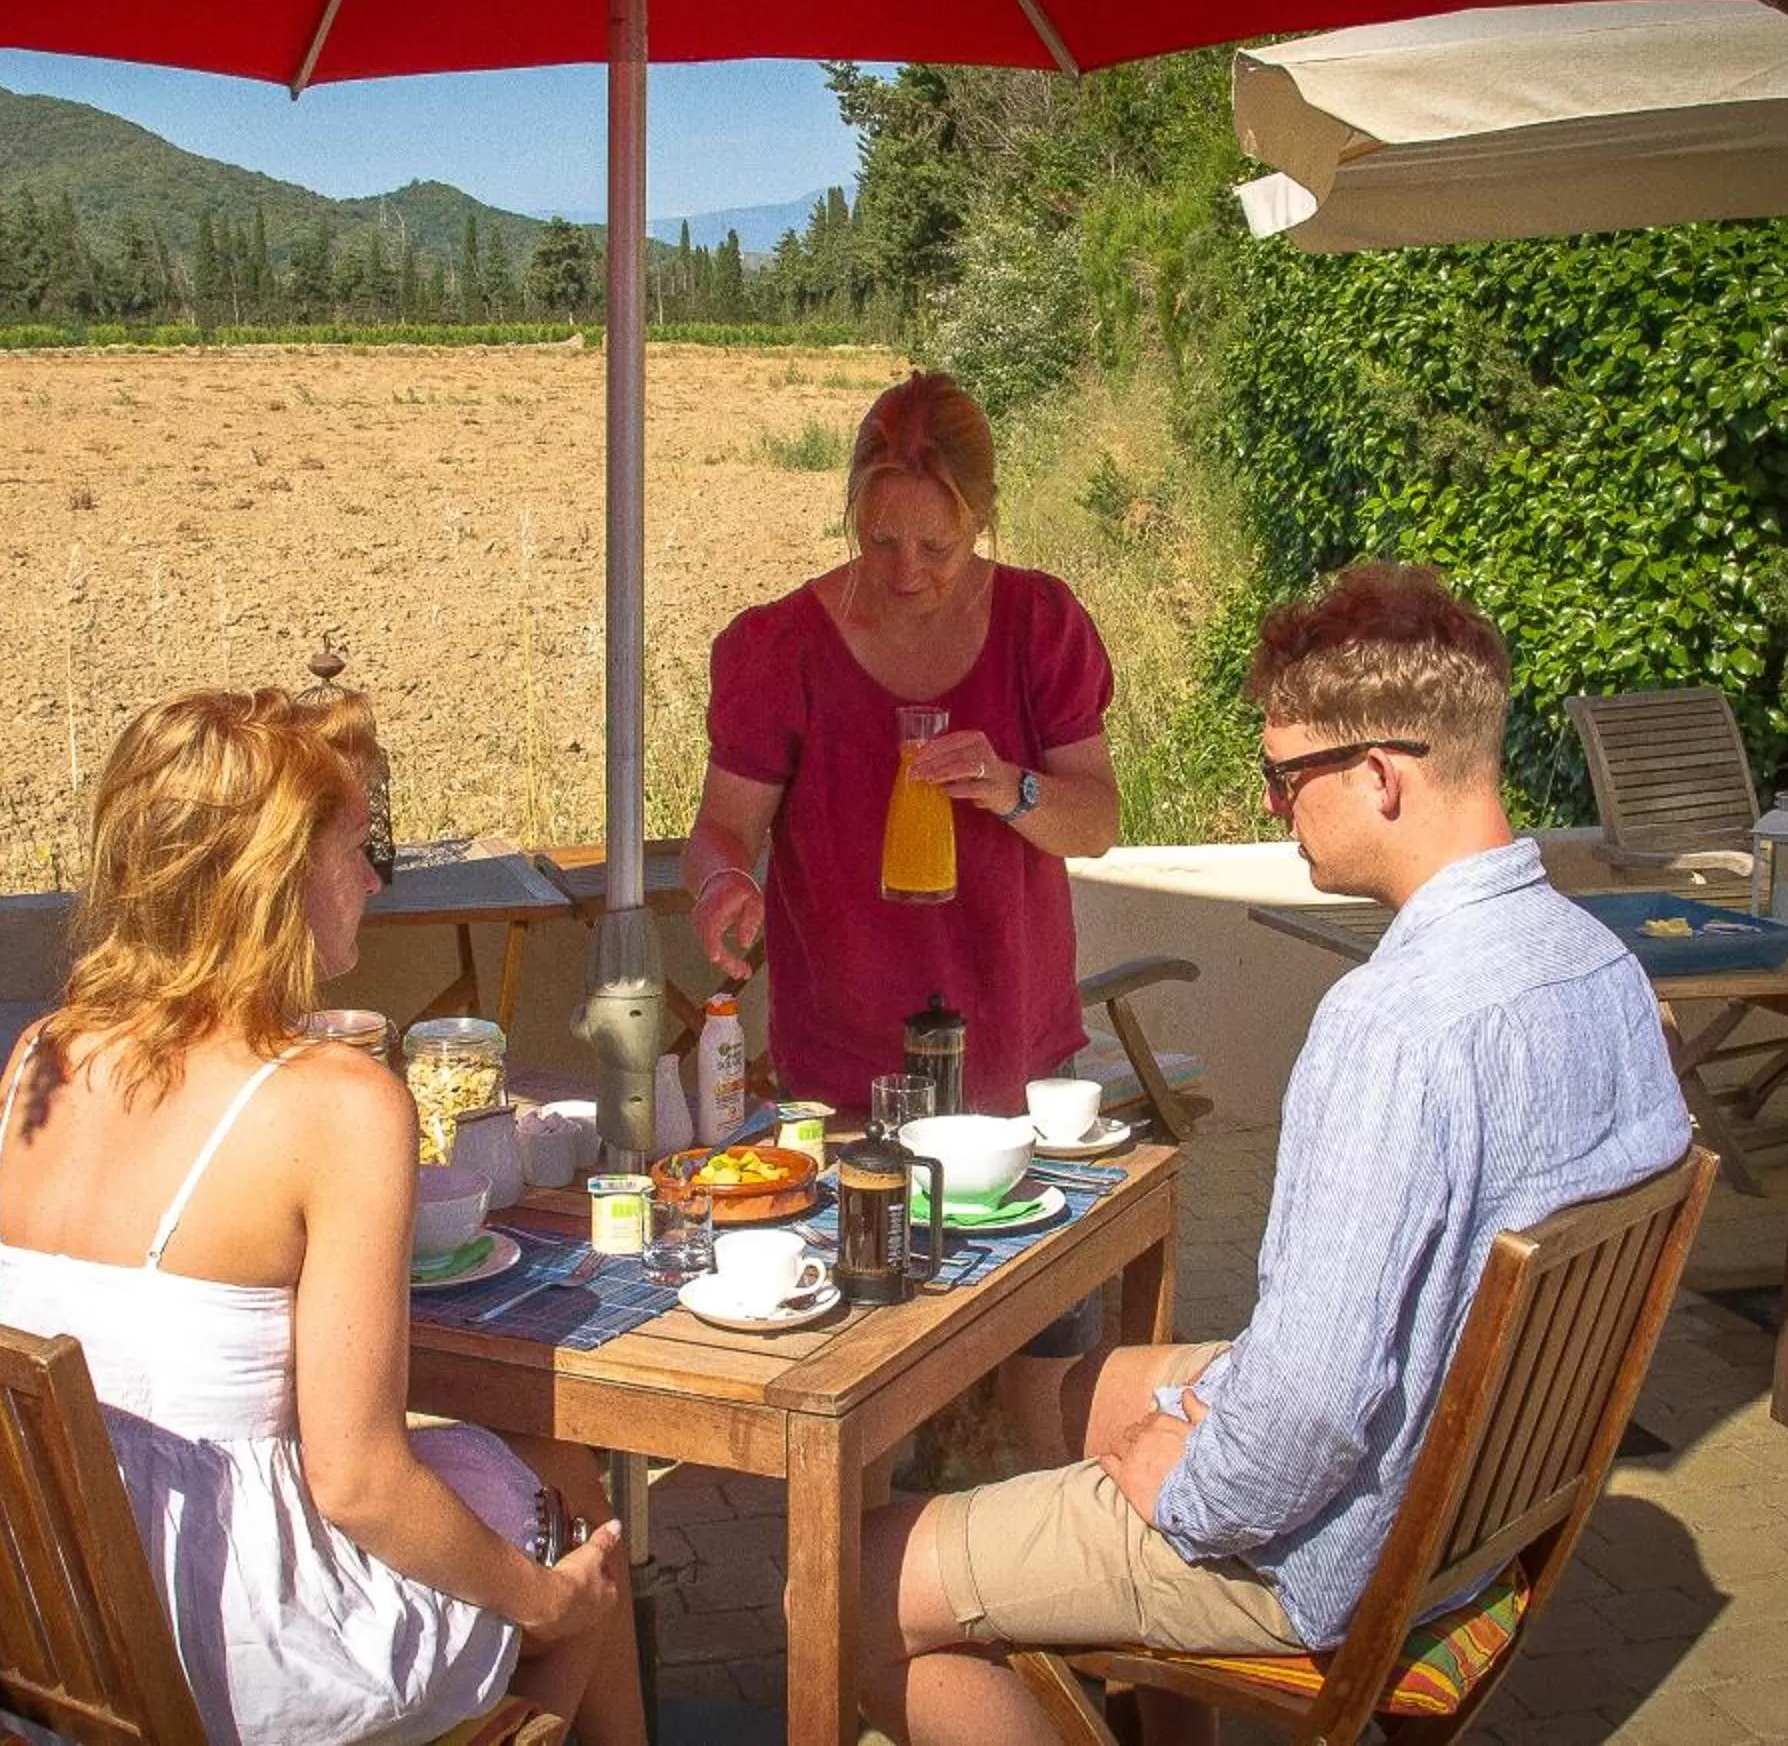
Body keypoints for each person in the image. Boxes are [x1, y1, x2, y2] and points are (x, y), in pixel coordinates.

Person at [855, 563, 1691, 1746]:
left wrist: (1184, 1490)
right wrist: (1197, 1420)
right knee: (1045, 1392)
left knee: (845, 1575)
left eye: (1287, 778)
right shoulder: (1605, 974)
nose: (1271, 808)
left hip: (1342, 1549)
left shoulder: (1395, 1028)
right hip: (1475, 1504)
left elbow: (1309, 1413)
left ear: (1383, 776)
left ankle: (1006, 1620)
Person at [0, 686, 644, 1746]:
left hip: (62, 1618)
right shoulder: (335, 1105)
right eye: (353, 848)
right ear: (274, 879)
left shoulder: (44, 1058)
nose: (373, 878)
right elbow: (359, 1481)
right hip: (240, 1656)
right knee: (579, 1538)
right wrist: (544, 1602)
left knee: (544, 1481)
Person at [685, 369, 1122, 1118]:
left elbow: (1097, 824)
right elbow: (722, 828)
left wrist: (1013, 788)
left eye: (937, 545)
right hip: (840, 1057)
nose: (907, 572)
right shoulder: (783, 646)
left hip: (1012, 1046)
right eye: (881, 540)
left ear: (981, 520)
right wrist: (720, 880)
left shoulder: (1038, 624)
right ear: (852, 510)